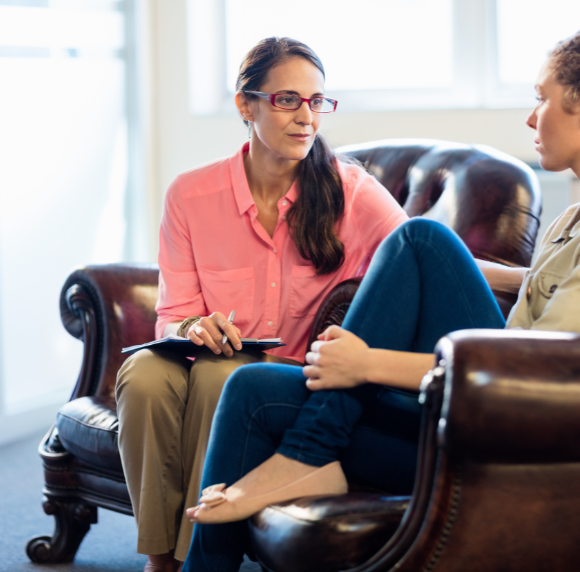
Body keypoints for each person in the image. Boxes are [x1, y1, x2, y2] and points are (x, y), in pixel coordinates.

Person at [180, 29, 580, 571]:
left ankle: (308, 454)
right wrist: (441, 272)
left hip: (521, 448)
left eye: (541, 98)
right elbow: (542, 295)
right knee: (252, 385)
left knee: (421, 238)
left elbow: (532, 371)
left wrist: (367, 364)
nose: (532, 118)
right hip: (474, 413)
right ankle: (269, 498)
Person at [114, 37, 408, 572]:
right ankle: (160, 558)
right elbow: (173, 313)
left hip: (286, 376)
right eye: (287, 100)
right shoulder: (190, 194)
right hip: (200, 357)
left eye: (317, 101)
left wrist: (520, 277)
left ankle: (198, 554)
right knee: (143, 376)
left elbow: (419, 258)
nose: (306, 117)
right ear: (245, 105)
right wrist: (194, 326)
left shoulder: (352, 192)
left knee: (219, 379)